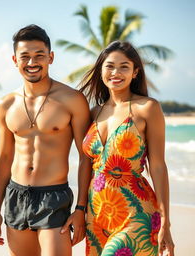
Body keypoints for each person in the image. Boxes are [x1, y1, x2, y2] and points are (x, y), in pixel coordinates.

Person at [0, 24, 91, 256]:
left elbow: (86, 157)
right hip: (16, 196)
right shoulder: (6, 104)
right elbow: (4, 157)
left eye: (39, 55)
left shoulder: (72, 100)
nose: (32, 62)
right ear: (15, 60)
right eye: (25, 56)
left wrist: (81, 208)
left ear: (50, 57)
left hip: (54, 197)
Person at [80, 41, 175, 256]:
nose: (116, 72)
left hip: (136, 212)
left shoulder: (147, 108)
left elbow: (158, 166)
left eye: (124, 66)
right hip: (97, 215)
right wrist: (80, 209)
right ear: (101, 70)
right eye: (110, 66)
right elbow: (85, 164)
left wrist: (166, 223)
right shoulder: (94, 112)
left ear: (135, 72)